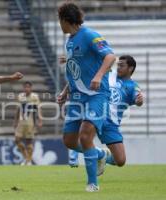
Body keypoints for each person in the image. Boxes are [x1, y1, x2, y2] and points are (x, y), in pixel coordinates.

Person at [57, 2, 116, 192]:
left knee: (85, 135)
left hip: (96, 95)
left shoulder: (90, 35)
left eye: (60, 20)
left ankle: (92, 184)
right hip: (76, 96)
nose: (59, 25)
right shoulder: (70, 41)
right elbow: (77, 72)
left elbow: (110, 57)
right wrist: (65, 92)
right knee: (69, 140)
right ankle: (99, 154)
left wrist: (98, 76)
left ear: (67, 20)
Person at [65, 55, 144, 173]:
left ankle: (102, 155)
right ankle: (81, 155)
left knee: (120, 161)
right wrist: (65, 91)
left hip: (111, 124)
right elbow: (82, 77)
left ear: (130, 68)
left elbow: (138, 99)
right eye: (118, 65)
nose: (118, 68)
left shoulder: (133, 86)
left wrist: (139, 101)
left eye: (122, 65)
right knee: (77, 138)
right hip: (97, 113)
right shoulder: (108, 74)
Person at [14, 81, 42, 166]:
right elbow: (18, 109)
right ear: (23, 88)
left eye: (28, 87)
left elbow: (38, 109)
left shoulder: (35, 97)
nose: (27, 89)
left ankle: (29, 160)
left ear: (31, 88)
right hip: (21, 122)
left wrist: (40, 120)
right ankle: (26, 157)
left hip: (31, 123)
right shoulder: (20, 97)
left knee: (28, 142)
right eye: (25, 87)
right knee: (17, 139)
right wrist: (15, 121)